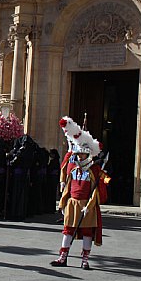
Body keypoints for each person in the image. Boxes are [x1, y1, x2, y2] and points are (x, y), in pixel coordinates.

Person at [51, 116, 105, 270]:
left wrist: (90, 205)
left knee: (87, 232)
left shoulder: (94, 171)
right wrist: (63, 203)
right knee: (68, 230)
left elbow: (96, 190)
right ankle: (63, 257)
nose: (80, 157)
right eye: (79, 155)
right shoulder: (74, 169)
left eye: (83, 155)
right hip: (73, 204)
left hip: (87, 205)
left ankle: (85, 259)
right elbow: (68, 187)